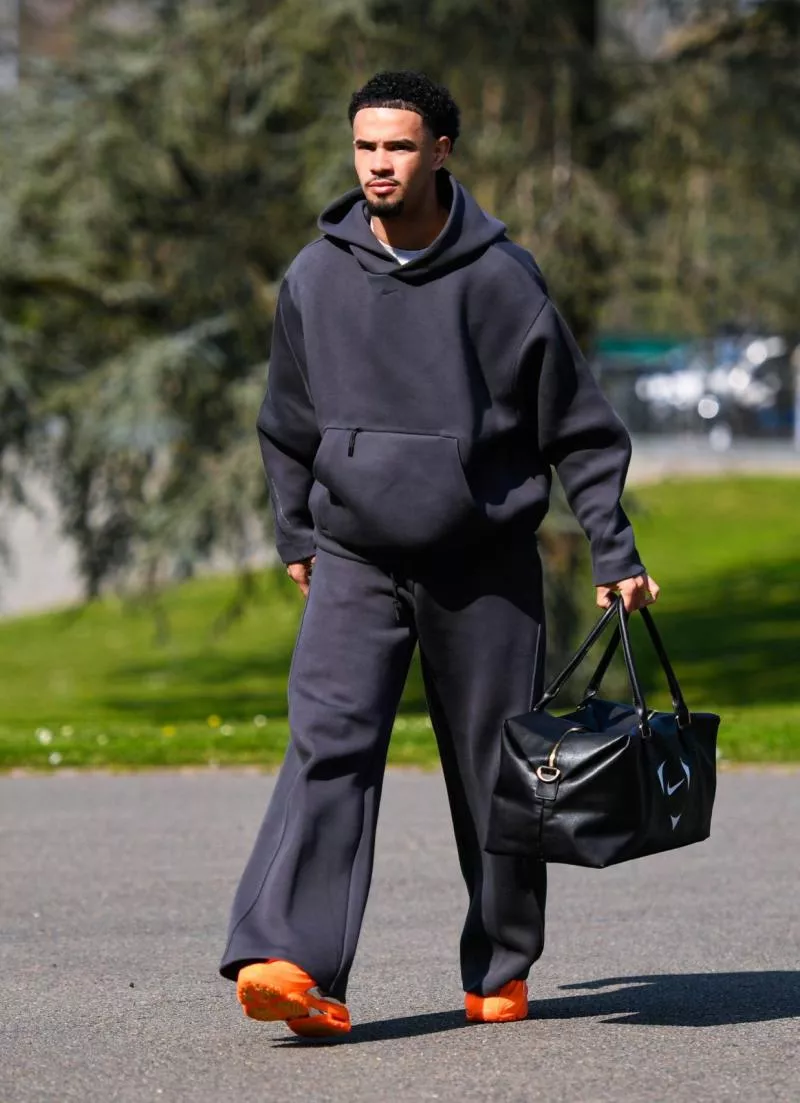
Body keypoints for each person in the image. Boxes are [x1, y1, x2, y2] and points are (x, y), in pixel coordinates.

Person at [219, 70, 660, 1037]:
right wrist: (298, 526)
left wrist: (612, 548)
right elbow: (287, 421)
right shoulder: (316, 275)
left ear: (441, 153)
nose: (380, 164)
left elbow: (579, 430)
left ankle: (500, 961)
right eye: (367, 146)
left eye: (400, 147)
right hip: (355, 556)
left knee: (495, 771)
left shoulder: (503, 280)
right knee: (325, 749)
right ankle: (292, 961)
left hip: (483, 560)